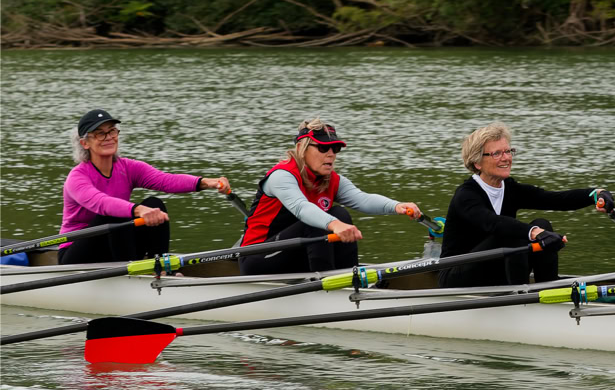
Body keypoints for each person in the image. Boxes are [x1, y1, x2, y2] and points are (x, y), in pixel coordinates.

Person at [437, 121, 615, 288]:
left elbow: (554, 199)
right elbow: (493, 223)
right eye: (497, 153)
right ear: (477, 162)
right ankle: (521, 297)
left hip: (494, 269)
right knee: (513, 234)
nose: (506, 158)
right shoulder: (466, 195)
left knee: (542, 224)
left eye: (508, 151)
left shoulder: (510, 188)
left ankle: (549, 290)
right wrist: (534, 233)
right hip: (455, 275)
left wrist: (595, 194)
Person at [238, 118, 422, 274]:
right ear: (302, 148)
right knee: (318, 222)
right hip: (257, 258)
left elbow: (362, 199)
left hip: (295, 254)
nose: (331, 154)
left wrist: (396, 206)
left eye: (335, 149)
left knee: (340, 213)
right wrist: (335, 225)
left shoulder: (331, 180)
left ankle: (348, 277)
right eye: (323, 148)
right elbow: (302, 208)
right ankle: (328, 285)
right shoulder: (282, 176)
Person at [60, 109, 232, 264]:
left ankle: (159, 266)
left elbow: (166, 180)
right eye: (100, 134)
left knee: (155, 204)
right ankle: (132, 273)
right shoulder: (77, 177)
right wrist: (138, 210)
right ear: (85, 143)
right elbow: (102, 203)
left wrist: (206, 182)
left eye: (112, 131)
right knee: (115, 214)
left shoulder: (128, 168)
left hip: (114, 243)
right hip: (76, 253)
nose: (109, 137)